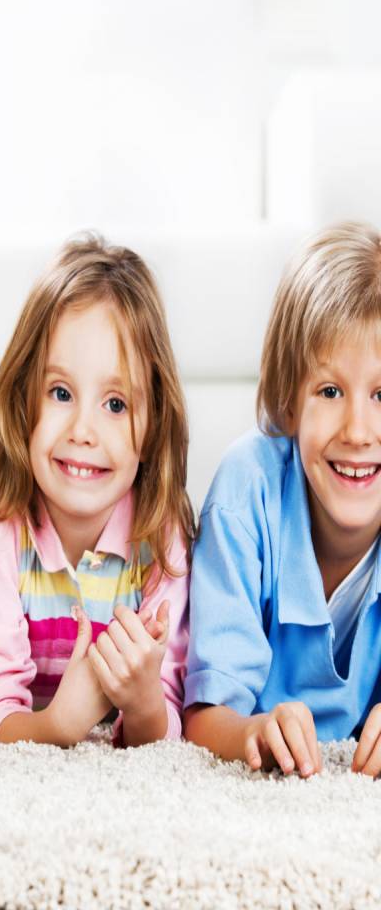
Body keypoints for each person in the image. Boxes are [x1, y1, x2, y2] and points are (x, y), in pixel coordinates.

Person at [0, 237, 193, 747]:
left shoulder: (161, 541)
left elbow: (166, 722)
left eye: (115, 404)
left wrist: (142, 705)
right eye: (61, 393)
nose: (83, 431)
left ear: (153, 421)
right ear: (25, 401)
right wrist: (59, 724)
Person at [185, 222, 381, 778]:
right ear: (289, 402)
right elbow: (203, 714)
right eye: (329, 391)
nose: (359, 430)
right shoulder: (246, 490)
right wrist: (250, 730)